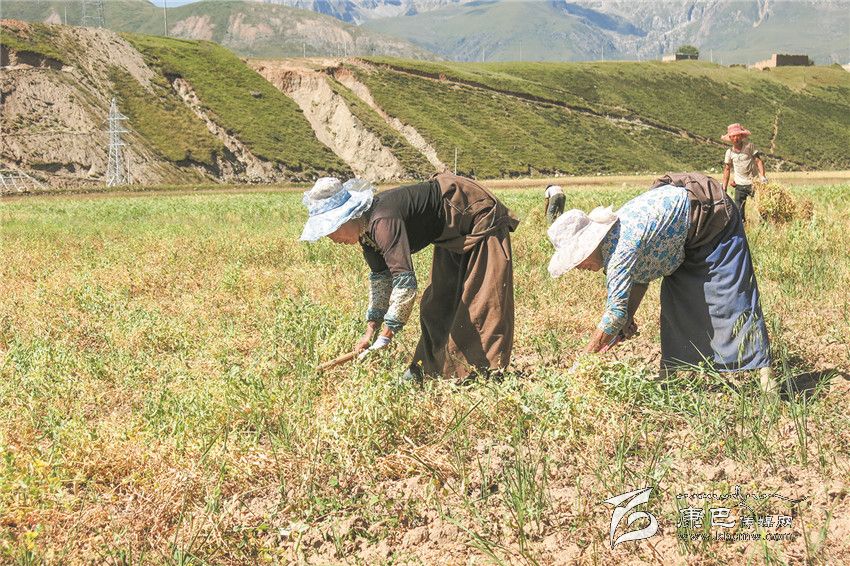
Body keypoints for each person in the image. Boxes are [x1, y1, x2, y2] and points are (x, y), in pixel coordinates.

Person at [548, 172, 776, 391]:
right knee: (676, 303)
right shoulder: (612, 242)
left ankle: (767, 377)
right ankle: (669, 377)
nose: (578, 267)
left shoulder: (620, 249)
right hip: (684, 236)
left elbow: (615, 313)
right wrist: (628, 318)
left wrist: (584, 362)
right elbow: (640, 279)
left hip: (713, 218)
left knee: (732, 299)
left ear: (589, 246)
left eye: (577, 259)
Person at [300, 173, 520, 381]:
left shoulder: (382, 222)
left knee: (482, 302)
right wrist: (370, 332)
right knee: (437, 305)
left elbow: (405, 283)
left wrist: (386, 336)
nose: (332, 239)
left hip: (473, 214)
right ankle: (428, 371)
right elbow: (381, 280)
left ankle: (484, 372)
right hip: (450, 234)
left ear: (347, 218)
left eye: (331, 230)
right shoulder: (366, 233)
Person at [721, 123, 768, 220]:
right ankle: (742, 226)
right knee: (739, 211)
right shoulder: (729, 152)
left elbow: (758, 161)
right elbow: (727, 169)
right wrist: (724, 187)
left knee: (762, 208)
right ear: (730, 138)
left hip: (754, 183)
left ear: (742, 136)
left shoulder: (749, 147)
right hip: (740, 185)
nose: (736, 138)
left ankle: (764, 225)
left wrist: (762, 176)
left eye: (738, 136)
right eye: (733, 136)